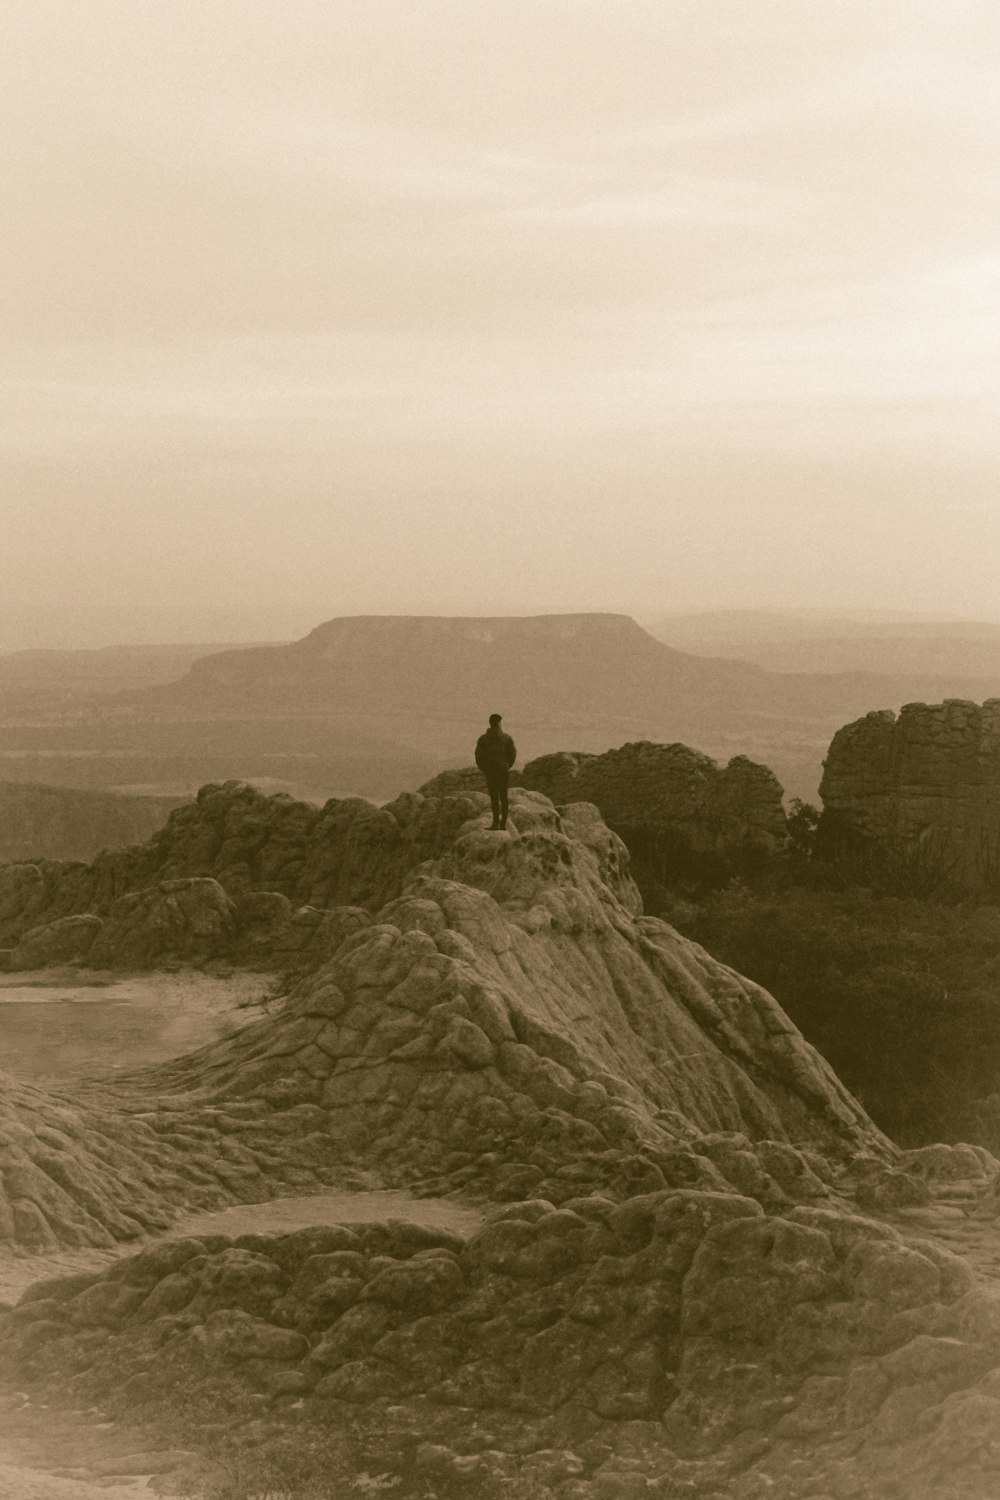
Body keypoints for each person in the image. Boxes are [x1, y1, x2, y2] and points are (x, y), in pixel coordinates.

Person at [475, 713, 517, 830]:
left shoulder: (483, 739)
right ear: (499, 723)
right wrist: (507, 765)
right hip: (503, 771)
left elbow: (478, 757)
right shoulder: (507, 738)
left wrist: (485, 768)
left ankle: (495, 824)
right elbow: (512, 754)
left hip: (490, 771)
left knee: (494, 798)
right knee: (504, 797)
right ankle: (503, 825)